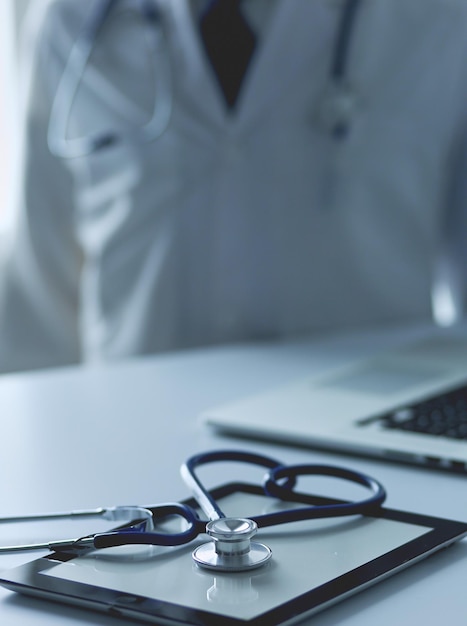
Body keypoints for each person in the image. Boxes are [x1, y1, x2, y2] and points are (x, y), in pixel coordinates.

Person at [1, 0, 467, 374]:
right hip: (130, 436)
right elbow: (39, 293)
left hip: (365, 438)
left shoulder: (440, 19)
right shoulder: (71, 19)